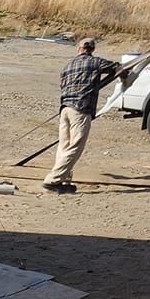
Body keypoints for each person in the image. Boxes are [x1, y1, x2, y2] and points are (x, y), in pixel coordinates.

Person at [44, 37, 120, 192]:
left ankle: (63, 180)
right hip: (81, 109)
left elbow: (62, 85)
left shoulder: (67, 66)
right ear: (92, 50)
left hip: (65, 108)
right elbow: (117, 67)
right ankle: (53, 180)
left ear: (79, 49)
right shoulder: (95, 62)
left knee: (64, 146)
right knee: (75, 147)